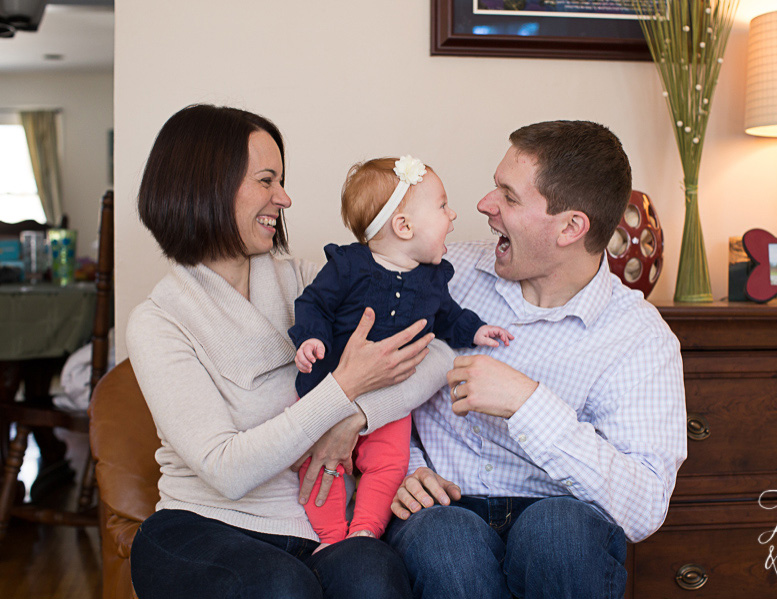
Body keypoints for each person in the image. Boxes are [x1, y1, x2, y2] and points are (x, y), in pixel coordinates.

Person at [126, 104, 456, 599]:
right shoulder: (158, 322)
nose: (285, 197)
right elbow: (227, 469)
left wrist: (355, 416)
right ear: (208, 186)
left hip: (316, 528)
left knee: (374, 576)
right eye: (266, 180)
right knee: (284, 586)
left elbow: (439, 354)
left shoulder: (311, 281)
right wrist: (341, 389)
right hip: (204, 525)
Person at [385, 120, 687, 599]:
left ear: (571, 227)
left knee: (556, 530)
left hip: (560, 528)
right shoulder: (443, 275)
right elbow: (370, 378)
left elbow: (644, 507)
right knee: (444, 539)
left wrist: (529, 404)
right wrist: (401, 470)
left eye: (508, 196)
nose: (484, 205)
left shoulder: (639, 337)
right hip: (445, 513)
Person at [289, 156, 512, 551]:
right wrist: (311, 339)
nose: (454, 213)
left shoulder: (433, 278)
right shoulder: (347, 266)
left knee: (390, 464)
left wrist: (476, 330)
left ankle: (364, 531)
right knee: (322, 464)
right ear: (403, 226)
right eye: (443, 206)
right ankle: (329, 537)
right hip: (326, 391)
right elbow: (314, 304)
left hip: (388, 403)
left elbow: (448, 318)